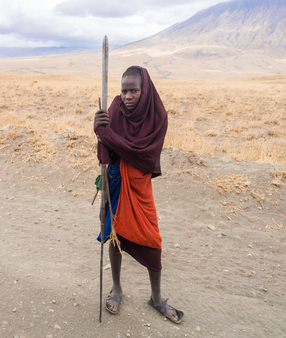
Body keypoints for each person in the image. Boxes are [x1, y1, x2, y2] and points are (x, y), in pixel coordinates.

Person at [94, 65, 184, 324]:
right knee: (115, 235)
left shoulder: (158, 117)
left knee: (152, 240)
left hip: (140, 187)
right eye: (124, 91)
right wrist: (98, 130)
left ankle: (156, 298)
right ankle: (117, 289)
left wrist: (106, 134)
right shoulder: (114, 109)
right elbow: (107, 149)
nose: (127, 96)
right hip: (116, 182)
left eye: (134, 90)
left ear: (145, 91)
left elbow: (145, 155)